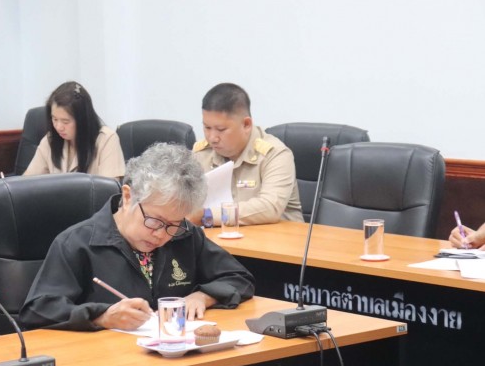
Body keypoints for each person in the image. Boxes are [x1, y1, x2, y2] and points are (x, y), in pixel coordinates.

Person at [20, 143, 255, 331]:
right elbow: (38, 310)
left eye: (173, 225)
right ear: (128, 196)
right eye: (154, 221)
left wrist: (203, 296)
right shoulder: (78, 243)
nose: (161, 235)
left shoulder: (184, 235)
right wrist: (102, 316)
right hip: (108, 363)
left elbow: (239, 278)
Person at [190, 83, 304, 226]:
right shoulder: (201, 153)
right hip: (220, 236)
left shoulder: (275, 154)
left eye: (221, 129)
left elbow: (270, 207)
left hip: (275, 237)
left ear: (246, 125)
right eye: (207, 127)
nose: (212, 138)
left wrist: (207, 216)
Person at [23, 81, 125, 179]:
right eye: (55, 119)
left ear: (83, 120)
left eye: (65, 121)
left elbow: (109, 188)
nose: (58, 127)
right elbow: (27, 183)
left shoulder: (106, 140)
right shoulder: (50, 140)